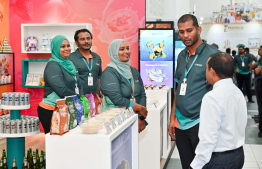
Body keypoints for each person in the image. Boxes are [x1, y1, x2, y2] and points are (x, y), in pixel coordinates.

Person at [168, 14, 219, 169]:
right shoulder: (182, 56)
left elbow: (221, 91)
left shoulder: (213, 55)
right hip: (180, 123)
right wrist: (172, 118)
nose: (185, 35)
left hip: (200, 122)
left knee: (204, 165)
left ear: (199, 29)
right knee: (187, 165)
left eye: (189, 30)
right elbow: (178, 88)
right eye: (182, 32)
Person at [190, 52, 247, 169]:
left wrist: (196, 165)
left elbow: (208, 139)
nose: (205, 72)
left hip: (219, 160)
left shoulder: (211, 97)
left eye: (206, 68)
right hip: (238, 155)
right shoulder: (238, 92)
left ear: (212, 71)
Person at [37, 35, 83, 134]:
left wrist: (81, 97)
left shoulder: (69, 64)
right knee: (55, 143)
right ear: (56, 48)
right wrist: (78, 98)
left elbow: (78, 83)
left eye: (68, 46)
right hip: (51, 109)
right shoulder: (53, 66)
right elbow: (61, 90)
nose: (66, 49)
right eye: (62, 46)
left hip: (65, 107)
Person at [100, 39, 148, 133]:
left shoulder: (133, 71)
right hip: (116, 121)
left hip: (135, 117)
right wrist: (140, 108)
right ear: (114, 53)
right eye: (122, 49)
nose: (126, 51)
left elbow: (142, 94)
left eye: (127, 48)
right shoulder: (109, 73)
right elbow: (117, 99)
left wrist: (141, 117)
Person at [69, 29, 102, 95]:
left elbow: (99, 78)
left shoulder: (97, 57)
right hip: (78, 100)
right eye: (82, 39)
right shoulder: (70, 58)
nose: (86, 41)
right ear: (76, 42)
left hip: (95, 99)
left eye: (88, 38)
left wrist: (100, 95)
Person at [251, 48, 262, 137]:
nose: (259, 51)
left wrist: (258, 69)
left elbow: (257, 70)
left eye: (260, 50)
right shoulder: (260, 59)